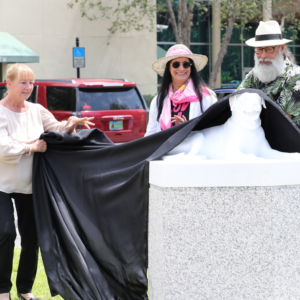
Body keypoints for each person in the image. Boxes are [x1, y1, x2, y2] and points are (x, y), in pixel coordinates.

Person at [0, 64, 94, 300]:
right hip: (1, 183)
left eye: (31, 83)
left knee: (32, 237)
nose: (28, 87)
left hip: (32, 184)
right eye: (23, 82)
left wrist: (71, 124)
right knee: (5, 233)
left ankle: (24, 289)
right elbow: (3, 148)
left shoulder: (37, 110)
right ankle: (2, 290)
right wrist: (31, 146)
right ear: (8, 83)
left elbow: (57, 129)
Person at [237, 20, 300, 128]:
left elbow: (278, 123)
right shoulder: (254, 75)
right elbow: (236, 103)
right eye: (259, 49)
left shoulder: (295, 77)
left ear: (281, 48)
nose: (263, 55)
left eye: (269, 49)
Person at [145, 44, 217, 136]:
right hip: (166, 150)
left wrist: (188, 128)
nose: (181, 68)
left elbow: (213, 130)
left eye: (186, 64)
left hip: (196, 150)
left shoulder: (206, 96)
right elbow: (150, 135)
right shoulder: (158, 101)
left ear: (191, 68)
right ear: (169, 68)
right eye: (176, 64)